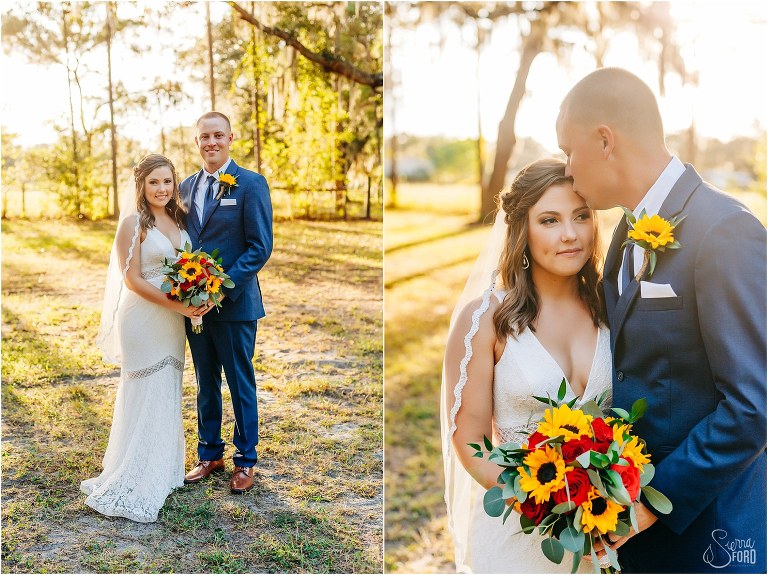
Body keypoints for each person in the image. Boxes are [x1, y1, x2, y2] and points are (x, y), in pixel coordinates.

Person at [556, 67, 766, 573]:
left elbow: (753, 407)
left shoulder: (725, 231)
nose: (567, 169)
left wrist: (652, 502)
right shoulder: (624, 232)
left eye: (569, 150)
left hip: (708, 534)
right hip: (635, 535)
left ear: (605, 140)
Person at [441, 158, 611, 573]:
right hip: (517, 534)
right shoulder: (485, 319)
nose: (570, 234)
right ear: (522, 229)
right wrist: (550, 508)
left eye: (581, 216)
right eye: (550, 220)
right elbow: (470, 442)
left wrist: (603, 506)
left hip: (605, 534)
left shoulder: (614, 309)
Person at [83, 153, 204, 522]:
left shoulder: (179, 218)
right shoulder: (132, 223)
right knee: (144, 387)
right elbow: (132, 279)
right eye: (154, 182)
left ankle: (163, 470)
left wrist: (196, 294)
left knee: (167, 384)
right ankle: (133, 470)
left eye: (167, 181)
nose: (162, 188)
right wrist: (178, 306)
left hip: (172, 319)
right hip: (143, 317)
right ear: (141, 185)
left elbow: (190, 265)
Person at [179, 111, 273, 494]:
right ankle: (209, 453)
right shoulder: (184, 187)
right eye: (205, 137)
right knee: (205, 382)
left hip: (234, 305)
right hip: (193, 307)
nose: (211, 142)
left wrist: (220, 288)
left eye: (218, 135)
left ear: (231, 137)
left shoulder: (250, 184)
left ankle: (245, 461)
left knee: (239, 381)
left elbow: (260, 246)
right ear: (197, 141)